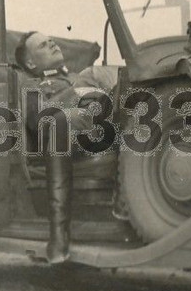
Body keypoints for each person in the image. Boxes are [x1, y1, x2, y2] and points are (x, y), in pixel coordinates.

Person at [15, 31, 116, 263]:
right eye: (43, 45)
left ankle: (125, 199)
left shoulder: (76, 77)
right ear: (31, 63)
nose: (52, 44)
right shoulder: (31, 85)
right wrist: (77, 93)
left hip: (99, 128)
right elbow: (38, 120)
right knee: (59, 121)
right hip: (64, 139)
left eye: (51, 41)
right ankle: (59, 232)